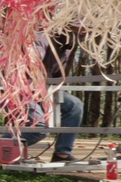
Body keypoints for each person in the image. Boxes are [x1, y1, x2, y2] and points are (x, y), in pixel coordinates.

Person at [20, 32, 84, 163]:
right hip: (22, 88)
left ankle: (62, 154)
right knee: (39, 128)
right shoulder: (43, 37)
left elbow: (59, 76)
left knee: (74, 105)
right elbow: (31, 61)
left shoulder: (69, 47)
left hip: (45, 89)